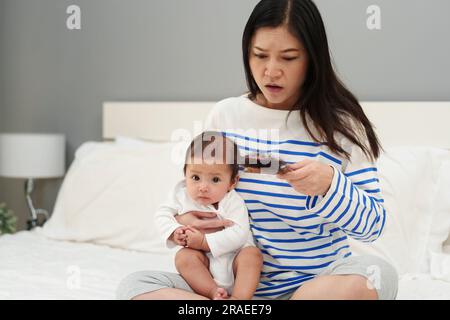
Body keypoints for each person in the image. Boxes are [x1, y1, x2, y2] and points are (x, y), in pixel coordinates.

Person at [117, 0, 398, 300]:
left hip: (314, 287)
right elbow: (199, 190)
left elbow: (372, 226)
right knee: (134, 288)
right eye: (260, 55)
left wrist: (330, 185)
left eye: (289, 58)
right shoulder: (225, 116)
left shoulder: (342, 128)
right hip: (231, 287)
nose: (271, 71)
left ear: (313, 60)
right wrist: (186, 219)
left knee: (373, 276)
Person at [155, 131, 263, 300]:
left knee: (252, 255)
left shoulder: (233, 201)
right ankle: (213, 293)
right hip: (202, 264)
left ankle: (239, 300)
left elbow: (240, 233)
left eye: (215, 180)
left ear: (232, 182)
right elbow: (162, 214)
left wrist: (204, 241)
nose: (203, 187)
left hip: (234, 259)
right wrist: (174, 231)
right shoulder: (180, 195)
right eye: (195, 177)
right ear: (185, 174)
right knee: (183, 257)